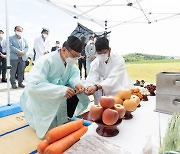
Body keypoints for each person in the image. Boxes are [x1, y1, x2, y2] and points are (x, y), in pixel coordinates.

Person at [20, 36, 90, 139]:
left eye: (78, 57)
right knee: (48, 129)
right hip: (40, 97)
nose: (75, 59)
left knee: (76, 96)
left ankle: (63, 118)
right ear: (64, 50)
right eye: (74, 55)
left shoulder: (69, 62)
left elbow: (73, 75)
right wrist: (60, 90)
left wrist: (77, 84)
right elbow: (34, 86)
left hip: (57, 97)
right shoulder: (46, 61)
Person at [84, 37, 134, 104]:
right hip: (102, 94)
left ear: (109, 50)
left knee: (120, 109)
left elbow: (113, 78)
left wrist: (96, 87)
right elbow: (92, 78)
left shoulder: (118, 60)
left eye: (104, 53)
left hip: (118, 90)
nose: (102, 55)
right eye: (99, 53)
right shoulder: (95, 63)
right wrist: (89, 88)